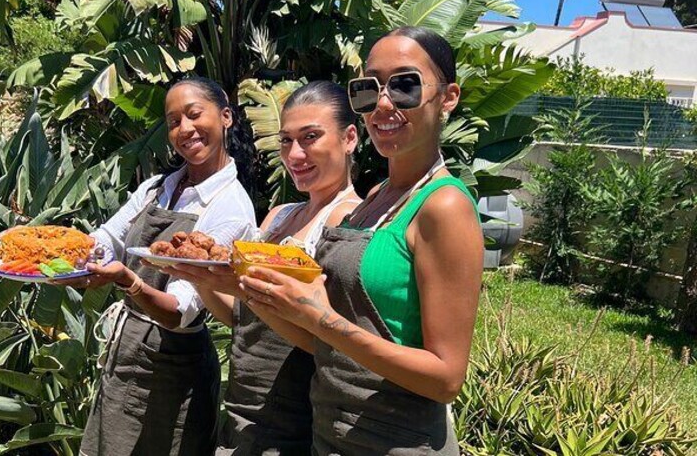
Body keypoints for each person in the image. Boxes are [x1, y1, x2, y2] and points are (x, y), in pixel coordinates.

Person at [239, 27, 484, 455]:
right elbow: (328, 344)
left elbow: (446, 379)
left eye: (405, 85)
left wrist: (319, 319)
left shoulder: (443, 206)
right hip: (331, 434)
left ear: (448, 97)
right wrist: (258, 295)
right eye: (368, 89)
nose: (383, 104)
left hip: (397, 441)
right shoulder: (375, 199)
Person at [162, 81, 361, 455]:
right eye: (286, 140)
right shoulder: (278, 216)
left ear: (349, 138)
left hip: (295, 423)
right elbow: (241, 320)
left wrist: (247, 290)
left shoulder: (351, 224)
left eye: (310, 137)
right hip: (241, 414)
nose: (295, 153)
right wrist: (199, 276)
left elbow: (330, 343)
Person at [68, 77, 257, 456]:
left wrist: (126, 280)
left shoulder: (230, 208)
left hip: (173, 365)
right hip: (127, 350)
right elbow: (109, 237)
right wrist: (67, 257)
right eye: (173, 122)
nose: (184, 129)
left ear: (225, 117)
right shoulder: (158, 187)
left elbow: (179, 312)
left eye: (193, 114)